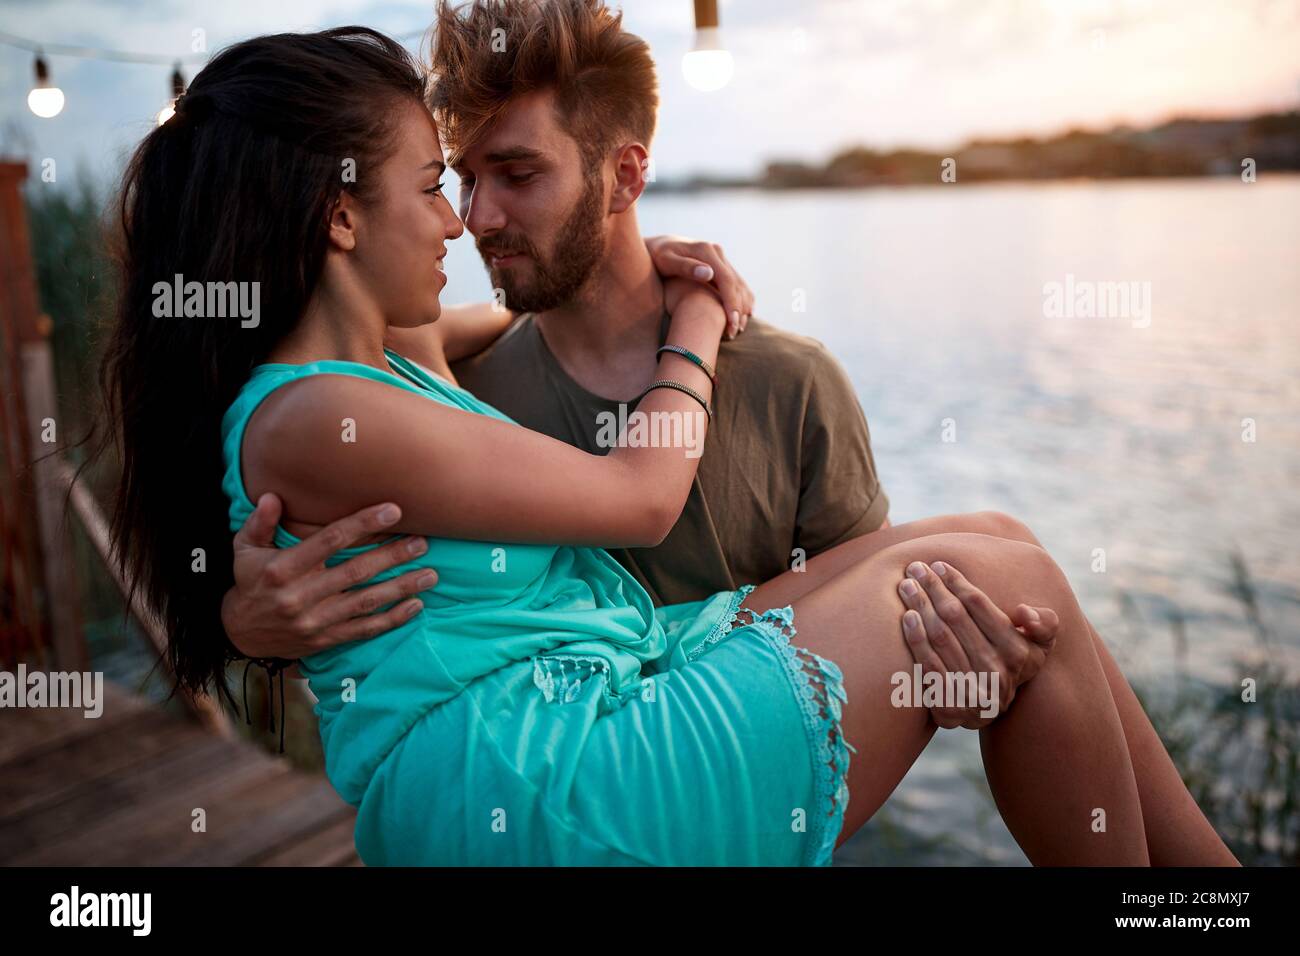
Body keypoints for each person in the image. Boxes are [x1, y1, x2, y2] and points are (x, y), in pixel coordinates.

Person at [98, 18, 1239, 866]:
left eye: (505, 178)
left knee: (999, 541)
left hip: (585, 700)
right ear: (339, 214)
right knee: (1001, 571)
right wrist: (693, 315)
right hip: (541, 778)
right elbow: (640, 495)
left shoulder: (395, 360)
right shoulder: (332, 409)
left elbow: (462, 323)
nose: (464, 218)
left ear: (623, 171)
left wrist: (654, 277)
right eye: (438, 185)